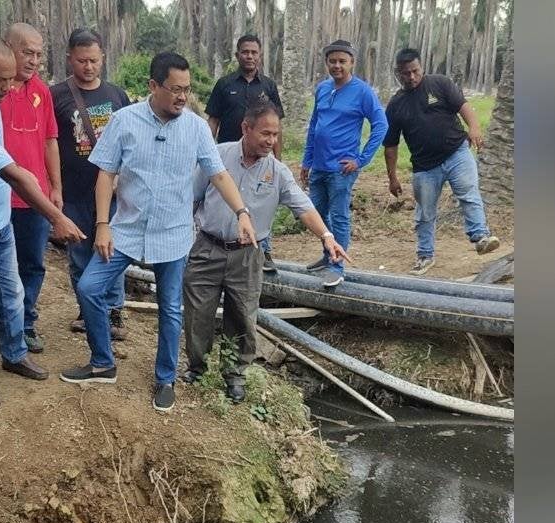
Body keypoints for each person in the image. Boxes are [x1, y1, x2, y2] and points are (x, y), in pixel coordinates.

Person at [59, 52, 255, 413]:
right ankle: (102, 362)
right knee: (88, 288)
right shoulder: (124, 121)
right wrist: (102, 224)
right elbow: (105, 174)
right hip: (126, 230)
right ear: (153, 86)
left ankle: (165, 378)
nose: (182, 97)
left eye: (187, 89)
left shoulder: (196, 128)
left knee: (170, 309)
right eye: (175, 89)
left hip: (174, 233)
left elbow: (218, 174)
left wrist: (241, 212)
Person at [183, 103, 349, 402]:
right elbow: (191, 198)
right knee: (197, 313)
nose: (271, 140)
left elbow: (304, 208)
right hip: (208, 247)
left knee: (243, 316)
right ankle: (196, 367)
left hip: (248, 255)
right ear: (246, 128)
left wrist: (326, 236)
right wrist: (186, 240)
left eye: (276, 134)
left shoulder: (278, 172)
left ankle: (235, 375)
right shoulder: (217, 156)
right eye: (265, 133)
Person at [0, 36, 85, 408]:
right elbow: (16, 175)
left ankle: (15, 353)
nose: (7, 86)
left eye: (9, 79)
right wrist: (57, 217)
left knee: (14, 292)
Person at [383, 47, 500, 275]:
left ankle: (480, 237)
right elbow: (391, 146)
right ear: (398, 73)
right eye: (406, 73)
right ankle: (425, 255)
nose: (412, 77)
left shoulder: (439, 83)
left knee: (469, 193)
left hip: (457, 152)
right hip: (425, 167)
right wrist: (392, 178)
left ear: (421, 66)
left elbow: (463, 106)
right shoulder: (396, 104)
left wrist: (474, 128)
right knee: (425, 213)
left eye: (415, 71)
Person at [49, 28, 133, 339]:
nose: (88, 67)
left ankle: (113, 312)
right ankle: (87, 311)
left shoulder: (117, 95)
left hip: (112, 193)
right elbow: (50, 142)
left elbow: (129, 142)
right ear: (70, 58)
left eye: (94, 60)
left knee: (112, 251)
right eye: (82, 60)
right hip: (73, 192)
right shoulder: (55, 95)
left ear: (103, 59)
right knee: (80, 254)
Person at [300, 39, 388, 288]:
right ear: (326, 62)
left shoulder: (363, 92)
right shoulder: (322, 89)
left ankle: (337, 267)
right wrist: (307, 160)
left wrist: (361, 160)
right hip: (318, 165)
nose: (337, 65)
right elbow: (314, 126)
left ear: (352, 63)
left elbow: (381, 126)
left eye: (342, 61)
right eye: (332, 61)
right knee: (316, 212)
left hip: (342, 169)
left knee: (339, 216)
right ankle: (329, 253)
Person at [0, 23, 61, 354]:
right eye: (27, 52)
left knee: (33, 264)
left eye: (39, 54)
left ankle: (25, 324)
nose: (34, 60)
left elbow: (50, 141)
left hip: (34, 199)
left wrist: (55, 188)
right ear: (8, 48)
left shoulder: (42, 92)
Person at [205, 35, 285, 273]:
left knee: (261, 201)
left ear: (260, 55)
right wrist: (207, 152)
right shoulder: (224, 84)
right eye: (245, 52)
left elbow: (277, 125)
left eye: (254, 52)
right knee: (226, 201)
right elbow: (213, 120)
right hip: (228, 158)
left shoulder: (268, 86)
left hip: (261, 157)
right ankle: (221, 247)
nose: (249, 56)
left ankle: (263, 250)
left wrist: (277, 160)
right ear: (237, 54)